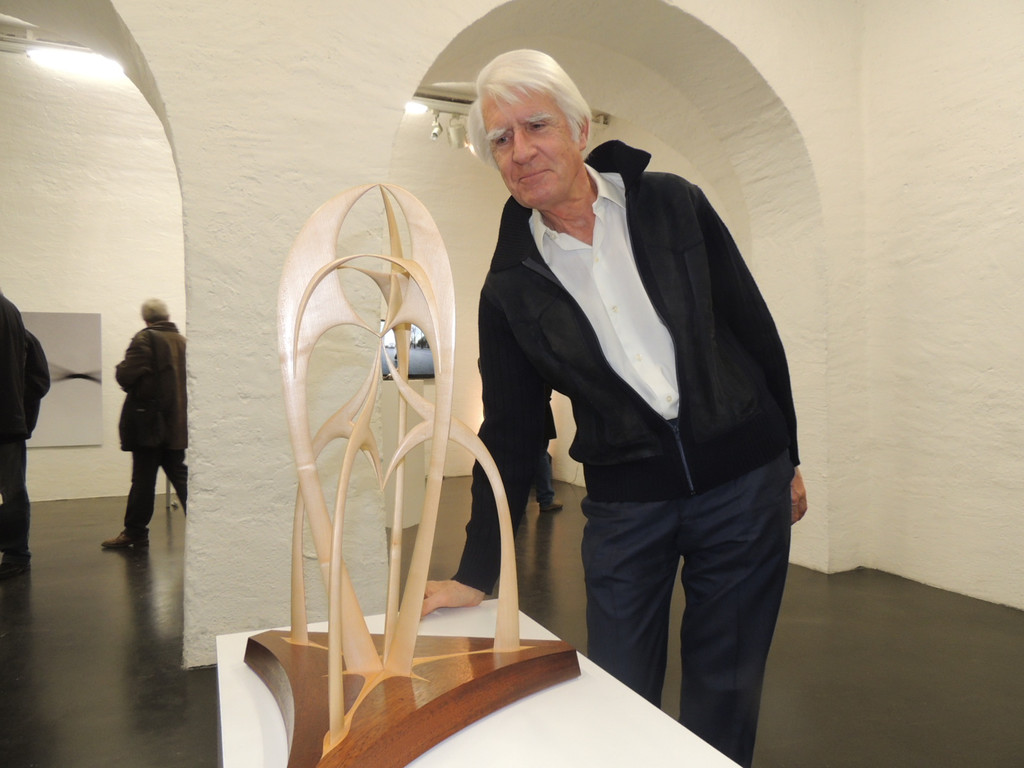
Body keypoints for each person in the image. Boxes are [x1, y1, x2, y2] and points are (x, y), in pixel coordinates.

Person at [421, 50, 808, 767]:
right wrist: (477, 569)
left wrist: (788, 457)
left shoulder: (673, 203)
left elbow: (752, 329)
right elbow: (510, 430)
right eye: (501, 139)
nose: (520, 150)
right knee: (619, 689)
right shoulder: (509, 285)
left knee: (726, 686)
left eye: (536, 126)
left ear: (578, 129)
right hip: (628, 508)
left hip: (744, 482)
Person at [102, 299, 188, 549]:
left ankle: (135, 532)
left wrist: (120, 367)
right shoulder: (183, 342)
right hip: (176, 423)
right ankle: (206, 527)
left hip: (150, 425)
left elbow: (126, 375)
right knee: (181, 477)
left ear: (146, 319)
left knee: (143, 480)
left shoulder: (145, 339)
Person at [0, 289, 51, 580]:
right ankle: (16, 553)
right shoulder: (15, 320)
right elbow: (39, 379)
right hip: (10, 422)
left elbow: (38, 380)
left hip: (8, 422)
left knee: (13, 491)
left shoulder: (16, 327)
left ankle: (16, 553)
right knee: (13, 490)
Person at [531, 395, 561, 512]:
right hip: (538, 414)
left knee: (525, 457)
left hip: (524, 416)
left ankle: (520, 502)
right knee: (540, 455)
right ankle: (546, 499)